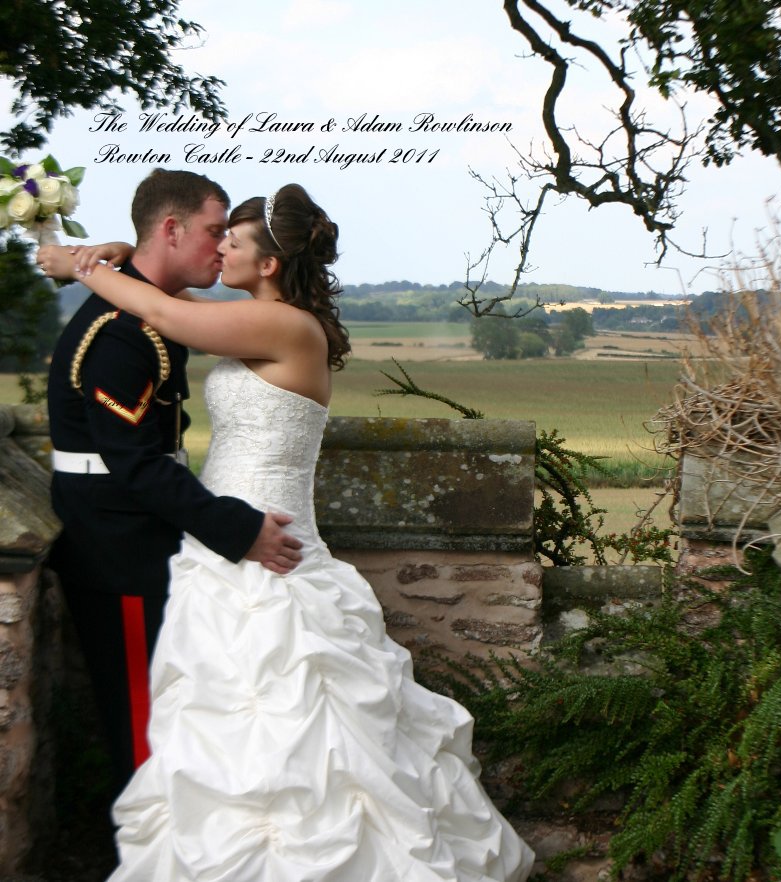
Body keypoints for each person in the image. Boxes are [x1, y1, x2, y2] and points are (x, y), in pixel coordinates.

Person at [39, 182, 535, 881]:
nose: (220, 249)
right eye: (214, 236)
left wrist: (81, 264)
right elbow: (163, 299)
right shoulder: (258, 315)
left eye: (231, 241)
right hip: (225, 547)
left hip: (266, 543)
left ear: (267, 263)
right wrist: (121, 252)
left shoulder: (284, 327)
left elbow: (156, 307)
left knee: (300, 737)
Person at [44, 169, 303, 797]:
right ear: (172, 228)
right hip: (117, 546)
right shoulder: (122, 331)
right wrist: (238, 530)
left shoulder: (144, 310)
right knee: (142, 721)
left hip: (137, 534)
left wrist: (110, 255)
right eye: (214, 231)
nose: (220, 248)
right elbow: (136, 463)